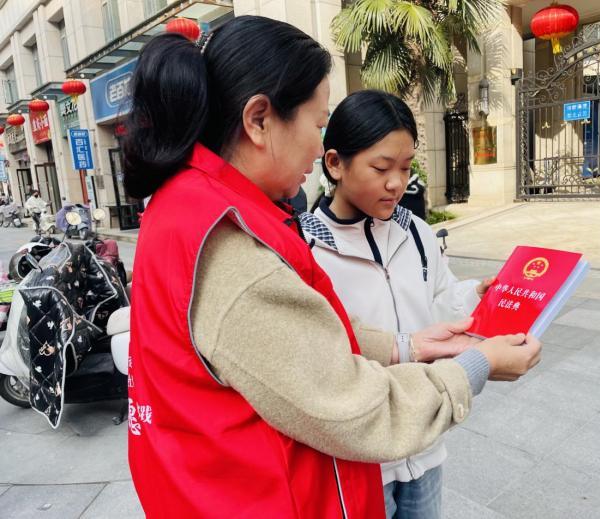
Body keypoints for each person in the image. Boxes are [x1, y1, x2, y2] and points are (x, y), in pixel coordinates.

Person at [122, 15, 541, 518]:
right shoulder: (232, 243)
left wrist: (408, 345)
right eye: (317, 125)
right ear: (259, 120)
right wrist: (479, 365)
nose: (319, 147)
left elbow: (297, 340)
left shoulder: (187, 209)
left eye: (405, 168)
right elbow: (354, 410)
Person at [300, 90, 493, 518]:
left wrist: (473, 295)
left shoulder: (417, 233)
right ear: (335, 163)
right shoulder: (306, 248)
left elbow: (439, 300)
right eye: (381, 167)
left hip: (424, 440)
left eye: (405, 167)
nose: (396, 183)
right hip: (360, 458)